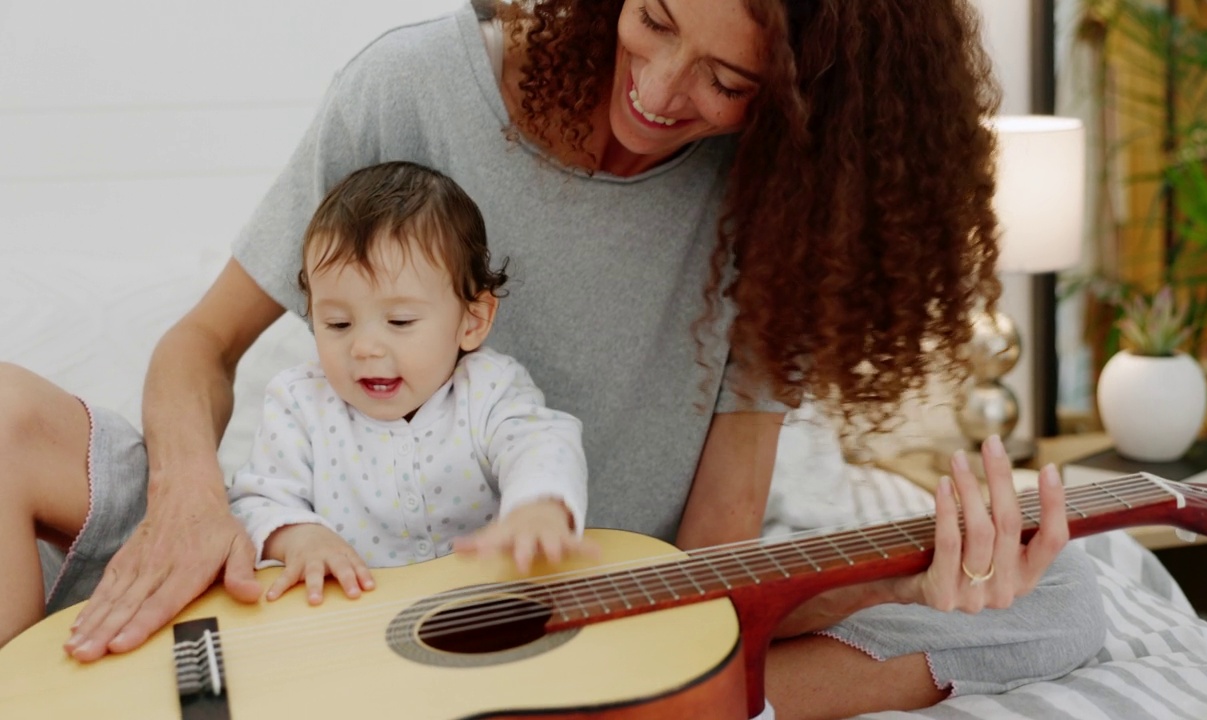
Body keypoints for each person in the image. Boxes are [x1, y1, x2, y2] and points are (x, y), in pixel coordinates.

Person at [0, 1, 1105, 717]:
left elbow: (708, 562)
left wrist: (912, 576)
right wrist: (192, 497)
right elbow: (199, 345)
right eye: (656, 17)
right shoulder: (415, 87)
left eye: (728, 84)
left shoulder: (775, 212)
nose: (662, 93)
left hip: (547, 619)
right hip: (293, 554)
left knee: (1062, 597)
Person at [225, 160, 590, 605]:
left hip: (485, 607)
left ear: (473, 319)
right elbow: (256, 500)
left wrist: (537, 508)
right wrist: (301, 539)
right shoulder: (300, 403)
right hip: (356, 626)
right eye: (337, 323)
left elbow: (540, 443)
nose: (364, 347)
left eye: (399, 320)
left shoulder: (489, 389)